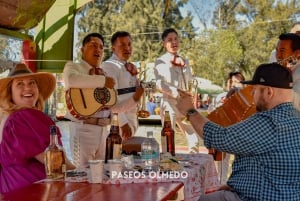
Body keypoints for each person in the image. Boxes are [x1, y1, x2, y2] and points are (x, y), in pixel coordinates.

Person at [176, 63, 300, 201]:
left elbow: (219, 138)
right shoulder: (296, 118)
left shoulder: (269, 121)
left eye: (254, 90)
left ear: (269, 92)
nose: (252, 94)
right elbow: (272, 164)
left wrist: (190, 111)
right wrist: (237, 185)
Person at [63, 33, 143, 167]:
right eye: (93, 46)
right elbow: (71, 80)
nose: (98, 50)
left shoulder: (103, 74)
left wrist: (136, 98)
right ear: (82, 49)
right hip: (82, 130)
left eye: (101, 47)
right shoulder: (73, 67)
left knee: (102, 176)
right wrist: (103, 81)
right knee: (82, 176)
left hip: (103, 132)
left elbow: (114, 107)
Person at [0, 63, 75, 193]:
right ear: (10, 92)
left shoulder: (10, 118)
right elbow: (54, 163)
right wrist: (82, 173)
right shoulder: (21, 118)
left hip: (15, 190)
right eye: (20, 84)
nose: (27, 88)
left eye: (32, 83)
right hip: (31, 191)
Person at [154, 28, 200, 153]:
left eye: (176, 39)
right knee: (168, 135)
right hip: (169, 103)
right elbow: (159, 84)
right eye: (170, 40)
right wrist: (176, 92)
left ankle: (193, 163)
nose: (174, 42)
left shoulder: (185, 61)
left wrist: (191, 94)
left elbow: (190, 80)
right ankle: (167, 161)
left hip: (185, 103)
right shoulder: (160, 61)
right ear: (164, 43)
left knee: (193, 138)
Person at [101, 31, 141, 137]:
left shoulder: (129, 66)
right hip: (119, 122)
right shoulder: (109, 65)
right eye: (122, 45)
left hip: (132, 117)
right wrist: (122, 122)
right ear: (113, 48)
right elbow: (111, 98)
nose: (127, 48)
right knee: (116, 152)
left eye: (129, 44)